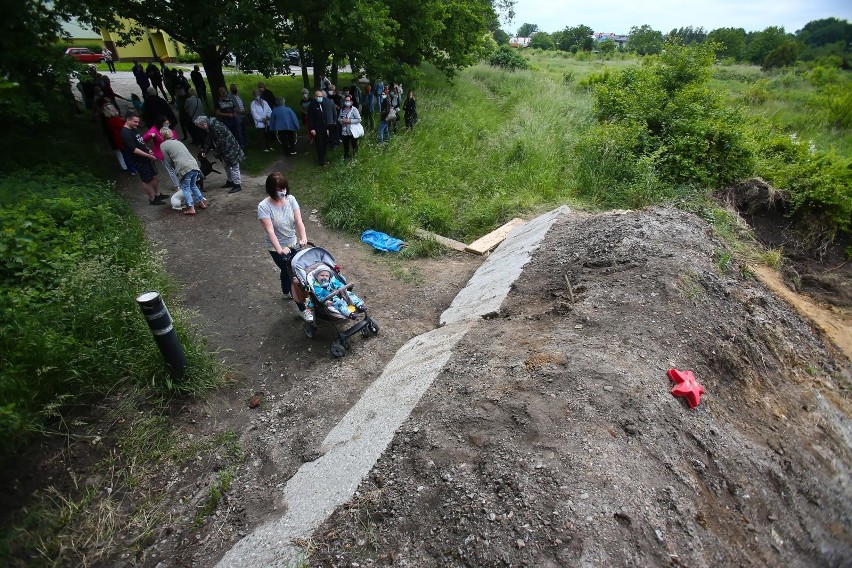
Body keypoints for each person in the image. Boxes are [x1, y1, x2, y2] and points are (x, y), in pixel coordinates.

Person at [257, 172, 312, 321]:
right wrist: (280, 249)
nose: (283, 192)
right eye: (278, 190)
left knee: (288, 269)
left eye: (284, 189)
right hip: (276, 247)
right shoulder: (263, 206)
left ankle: (285, 289)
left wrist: (303, 237)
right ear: (271, 190)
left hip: (293, 242)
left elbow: (299, 221)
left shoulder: (291, 200)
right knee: (293, 276)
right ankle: (302, 309)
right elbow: (270, 230)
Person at [120, 111, 168, 205]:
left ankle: (158, 194)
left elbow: (141, 142)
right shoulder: (125, 133)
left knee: (154, 176)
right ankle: (152, 199)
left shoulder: (133, 128)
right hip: (138, 160)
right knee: (147, 180)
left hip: (146, 156)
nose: (137, 124)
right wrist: (149, 155)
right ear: (128, 120)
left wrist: (148, 150)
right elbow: (134, 149)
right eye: (135, 122)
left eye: (138, 122)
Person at [160, 128, 208, 216]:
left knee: (185, 188)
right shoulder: (179, 142)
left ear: (162, 136)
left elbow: (168, 160)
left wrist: (175, 168)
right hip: (193, 164)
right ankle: (201, 203)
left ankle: (191, 208)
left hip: (184, 167)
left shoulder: (163, 145)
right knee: (193, 185)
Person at [196, 115, 245, 193]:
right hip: (226, 150)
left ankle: (237, 185)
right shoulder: (211, 127)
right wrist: (204, 151)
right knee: (226, 166)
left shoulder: (216, 127)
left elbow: (220, 143)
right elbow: (209, 139)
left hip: (231, 149)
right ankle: (230, 181)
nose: (201, 129)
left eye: (201, 127)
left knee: (234, 166)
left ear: (204, 124)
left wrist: (217, 153)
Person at [143, 115, 181, 191]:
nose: (168, 124)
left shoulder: (169, 129)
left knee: (178, 166)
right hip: (162, 154)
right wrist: (150, 135)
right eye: (166, 123)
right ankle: (177, 185)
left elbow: (175, 138)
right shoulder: (154, 130)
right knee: (171, 169)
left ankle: (182, 181)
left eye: (168, 123)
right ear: (161, 123)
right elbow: (144, 139)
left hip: (172, 151)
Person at [306, 90, 330, 166]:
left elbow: (325, 117)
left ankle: (324, 159)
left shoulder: (322, 104)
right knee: (320, 145)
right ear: (315, 97)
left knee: (325, 144)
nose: (320, 98)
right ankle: (321, 162)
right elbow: (310, 118)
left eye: (321, 96)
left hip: (324, 128)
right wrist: (312, 129)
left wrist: (327, 128)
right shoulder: (312, 105)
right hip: (317, 129)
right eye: (318, 96)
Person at [338, 94, 362, 160]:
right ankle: (346, 157)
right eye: (346, 100)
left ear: (351, 101)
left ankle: (355, 158)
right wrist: (342, 120)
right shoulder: (342, 109)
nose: (347, 102)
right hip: (345, 131)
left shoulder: (354, 109)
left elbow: (359, 119)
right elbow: (339, 118)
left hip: (352, 131)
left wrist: (350, 121)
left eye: (348, 100)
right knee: (346, 146)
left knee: (354, 145)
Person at [229, 83, 247, 148]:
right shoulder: (230, 97)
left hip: (243, 116)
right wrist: (240, 111)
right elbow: (232, 107)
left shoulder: (239, 96)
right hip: (237, 116)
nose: (235, 89)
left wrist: (245, 110)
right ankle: (240, 144)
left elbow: (243, 104)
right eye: (233, 89)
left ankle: (245, 142)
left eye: (235, 88)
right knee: (239, 131)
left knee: (244, 130)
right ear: (231, 90)